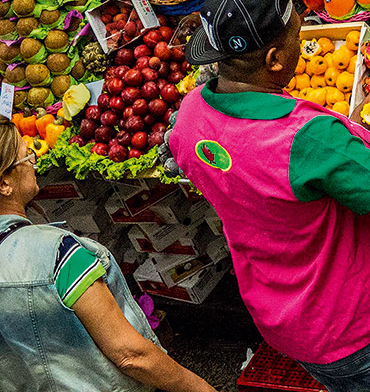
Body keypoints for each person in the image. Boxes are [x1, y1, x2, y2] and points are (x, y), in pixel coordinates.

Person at [168, 0, 370, 392]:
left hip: (292, 321)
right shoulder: (308, 138)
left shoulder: (191, 114)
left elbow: (263, 179)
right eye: (299, 35)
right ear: (275, 61)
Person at [0, 116, 217, 392]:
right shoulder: (58, 254)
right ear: (5, 183)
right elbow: (131, 355)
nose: (33, 161)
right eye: (25, 157)